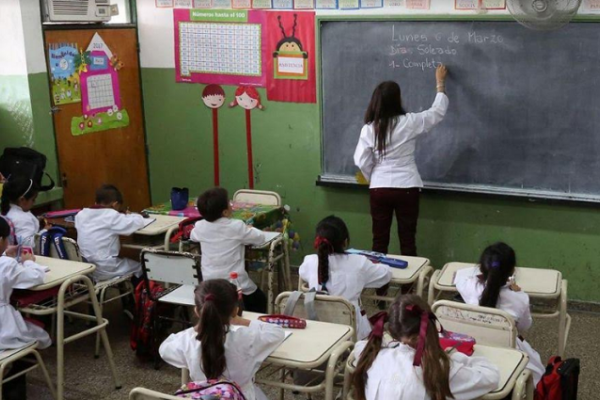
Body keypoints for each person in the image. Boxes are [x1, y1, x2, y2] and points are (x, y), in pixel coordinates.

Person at [354, 64, 449, 257]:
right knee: (407, 240)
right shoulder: (409, 122)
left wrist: (374, 176)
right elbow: (436, 112)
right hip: (407, 186)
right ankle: (409, 287)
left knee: (379, 241)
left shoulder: (369, 128)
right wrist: (440, 84)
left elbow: (361, 160)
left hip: (379, 189)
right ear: (397, 100)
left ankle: (380, 287)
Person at [352, 294, 499, 400]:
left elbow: (360, 345)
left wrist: (390, 344)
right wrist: (456, 356)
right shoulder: (440, 368)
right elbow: (491, 377)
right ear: (430, 326)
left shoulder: (373, 356)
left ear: (391, 331)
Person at [159, 279, 285, 400]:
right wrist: (240, 320)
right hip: (241, 395)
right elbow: (277, 332)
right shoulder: (247, 337)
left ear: (197, 311)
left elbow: (164, 349)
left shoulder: (186, 341)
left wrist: (198, 328)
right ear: (235, 311)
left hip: (203, 397)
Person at [454, 242, 545, 385]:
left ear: (481, 268)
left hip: (472, 350)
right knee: (537, 367)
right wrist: (517, 291)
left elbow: (459, 278)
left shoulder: (470, 287)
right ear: (513, 271)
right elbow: (524, 327)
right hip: (507, 352)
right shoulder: (519, 298)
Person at [299, 215, 391, 339]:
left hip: (319, 331)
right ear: (345, 242)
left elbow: (302, 273)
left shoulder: (310, 261)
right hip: (353, 334)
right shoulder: (359, 263)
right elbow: (385, 274)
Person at [190, 187, 268, 312]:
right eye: (229, 203)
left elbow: (192, 236)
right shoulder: (236, 226)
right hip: (234, 282)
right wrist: (250, 228)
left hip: (209, 282)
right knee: (259, 299)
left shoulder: (200, 226)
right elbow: (260, 238)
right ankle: (251, 324)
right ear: (225, 212)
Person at [0, 216, 51, 400]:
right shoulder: (5, 264)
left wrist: (6, 255)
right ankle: (12, 384)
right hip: (4, 330)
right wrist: (29, 261)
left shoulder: (5, 261)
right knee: (37, 337)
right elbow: (34, 278)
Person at [75, 184, 146, 282]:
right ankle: (138, 296)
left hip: (86, 268)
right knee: (142, 268)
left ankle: (129, 295)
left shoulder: (81, 215)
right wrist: (131, 215)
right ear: (115, 204)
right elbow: (138, 222)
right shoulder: (111, 216)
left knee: (126, 263)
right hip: (104, 268)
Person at [1, 177, 47, 248]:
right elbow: (27, 244)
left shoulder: (7, 210)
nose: (34, 202)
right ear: (22, 199)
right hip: (23, 257)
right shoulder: (22, 219)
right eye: (33, 199)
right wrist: (44, 231)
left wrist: (36, 220)